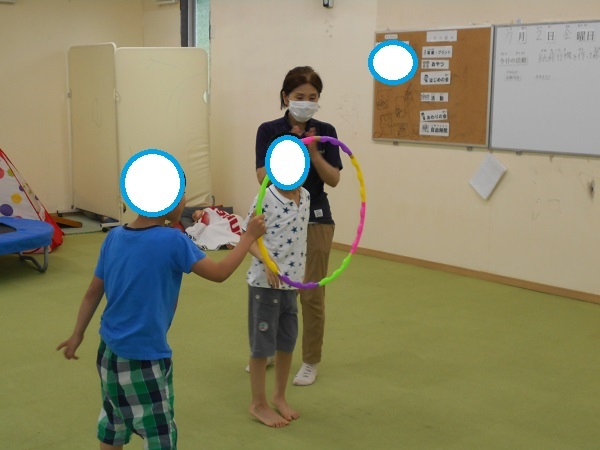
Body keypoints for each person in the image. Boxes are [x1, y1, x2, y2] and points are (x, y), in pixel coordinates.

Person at [57, 192, 266, 450]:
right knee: (159, 434)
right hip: (145, 357)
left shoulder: (113, 236)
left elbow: (93, 292)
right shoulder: (173, 240)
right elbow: (220, 273)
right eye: (181, 195)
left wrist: (77, 334)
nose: (185, 202)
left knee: (114, 422)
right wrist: (247, 237)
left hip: (108, 354)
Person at [255, 66, 342, 386]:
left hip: (316, 217)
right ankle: (269, 351)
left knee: (311, 293)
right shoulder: (269, 130)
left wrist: (313, 152)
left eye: (313, 97)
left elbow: (334, 178)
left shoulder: (326, 131)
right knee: (273, 289)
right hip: (278, 218)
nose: (306, 102)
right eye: (299, 96)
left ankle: (310, 361)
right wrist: (288, 151)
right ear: (285, 97)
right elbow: (262, 178)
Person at [243, 182, 310, 427]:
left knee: (287, 341)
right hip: (265, 285)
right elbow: (247, 237)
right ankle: (258, 403)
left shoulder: (306, 196)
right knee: (262, 346)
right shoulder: (266, 198)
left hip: (291, 284)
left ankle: (279, 397)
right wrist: (266, 260)